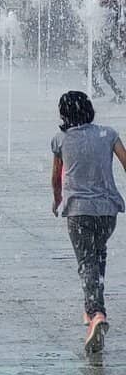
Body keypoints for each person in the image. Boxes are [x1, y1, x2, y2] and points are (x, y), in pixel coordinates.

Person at [50, 91, 126, 354]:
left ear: (63, 114)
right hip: (107, 212)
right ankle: (92, 309)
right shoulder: (108, 134)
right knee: (98, 256)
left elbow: (56, 178)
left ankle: (96, 314)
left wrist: (56, 200)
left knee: (86, 262)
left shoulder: (61, 139)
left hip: (79, 212)